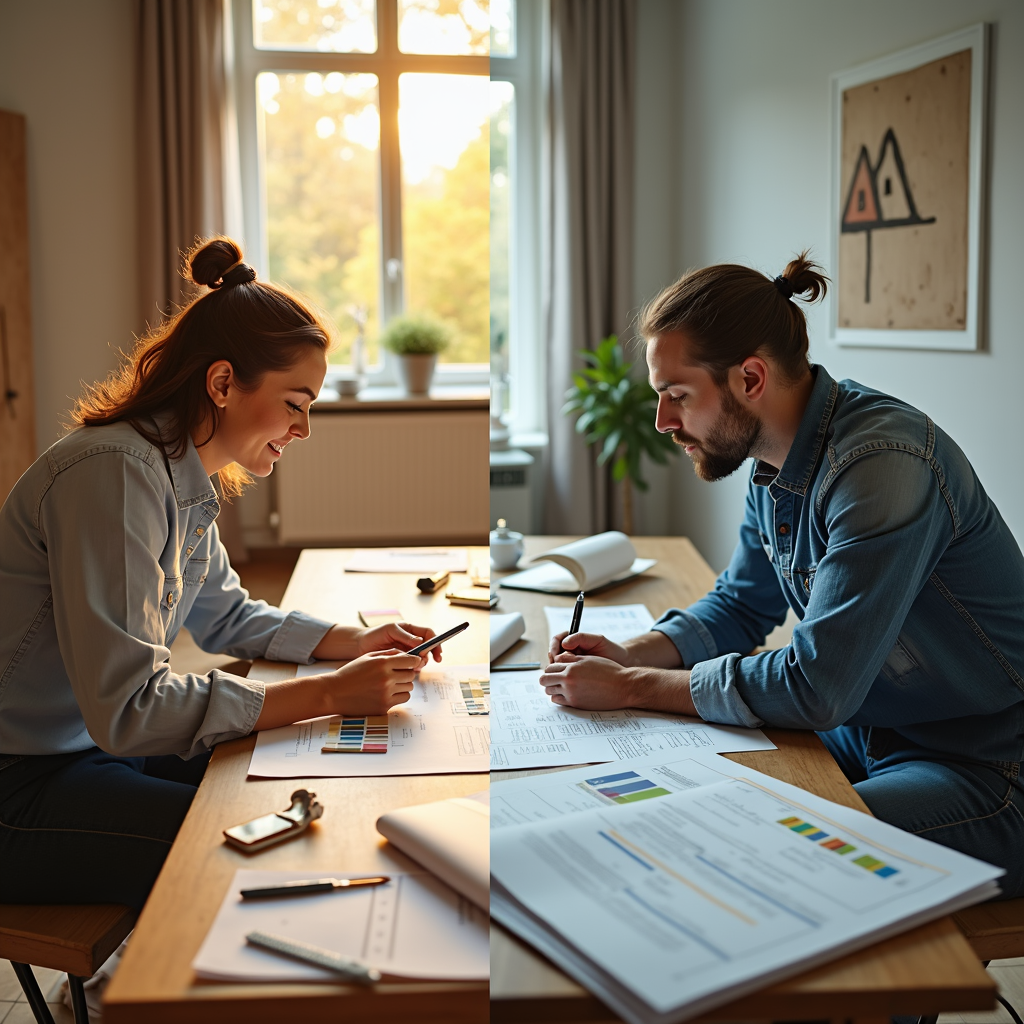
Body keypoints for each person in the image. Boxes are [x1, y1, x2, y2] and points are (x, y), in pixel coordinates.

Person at [544, 253, 1024, 898]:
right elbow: (740, 607)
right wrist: (629, 652)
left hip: (984, 767)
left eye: (677, 396)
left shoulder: (884, 467)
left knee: (774, 860)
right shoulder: (774, 459)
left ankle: (881, 1000)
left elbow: (816, 686)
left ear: (749, 378)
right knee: (686, 812)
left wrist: (632, 685)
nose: (663, 422)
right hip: (865, 735)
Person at [0, 237, 441, 910]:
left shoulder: (176, 473)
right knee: (255, 846)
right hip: (22, 778)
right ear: (223, 383)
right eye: (296, 402)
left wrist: (352, 643)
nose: (305, 428)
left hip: (83, 746)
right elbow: (131, 709)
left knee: (283, 785)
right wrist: (328, 693)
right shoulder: (115, 474)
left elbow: (227, 616)